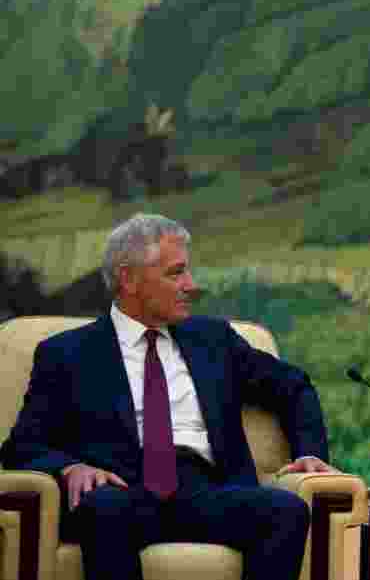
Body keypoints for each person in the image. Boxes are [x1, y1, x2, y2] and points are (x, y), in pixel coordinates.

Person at [0, 213, 338, 580]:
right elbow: (23, 445)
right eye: (175, 273)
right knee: (102, 509)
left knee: (286, 511)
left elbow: (294, 387)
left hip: (209, 491)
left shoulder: (213, 340)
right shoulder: (67, 353)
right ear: (129, 279)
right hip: (124, 493)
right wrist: (70, 468)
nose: (190, 285)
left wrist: (309, 452)